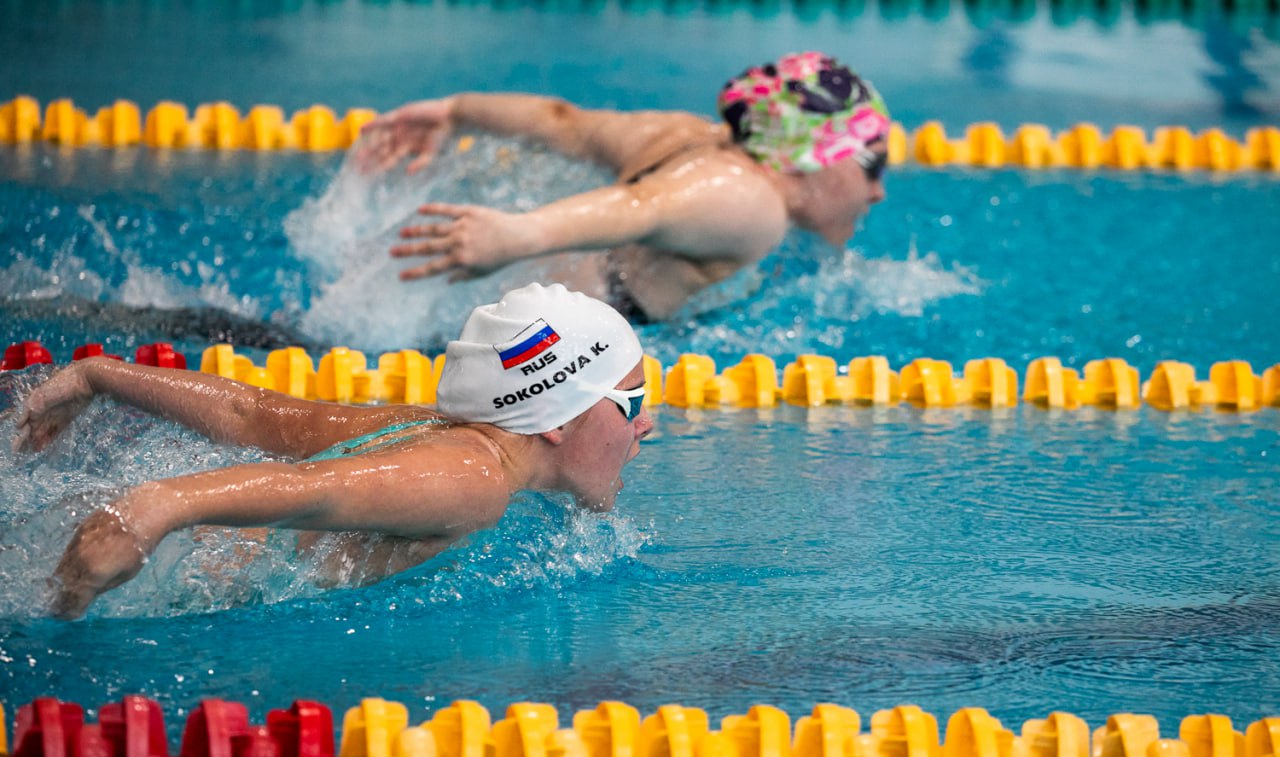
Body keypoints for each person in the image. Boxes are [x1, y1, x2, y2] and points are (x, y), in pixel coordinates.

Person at [13, 283, 653, 619]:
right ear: (555, 422)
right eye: (631, 401)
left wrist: (97, 374)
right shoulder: (472, 481)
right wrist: (156, 505)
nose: (647, 423)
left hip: (81, 529)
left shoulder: (437, 429)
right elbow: (307, 490)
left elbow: (258, 416)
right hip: (131, 564)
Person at [357, 51, 891, 322]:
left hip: (519, 306)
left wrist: (457, 110)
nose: (877, 192)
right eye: (874, 166)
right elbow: (644, 206)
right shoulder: (749, 201)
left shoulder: (685, 137)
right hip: (550, 334)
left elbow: (563, 122)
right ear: (817, 159)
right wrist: (520, 235)